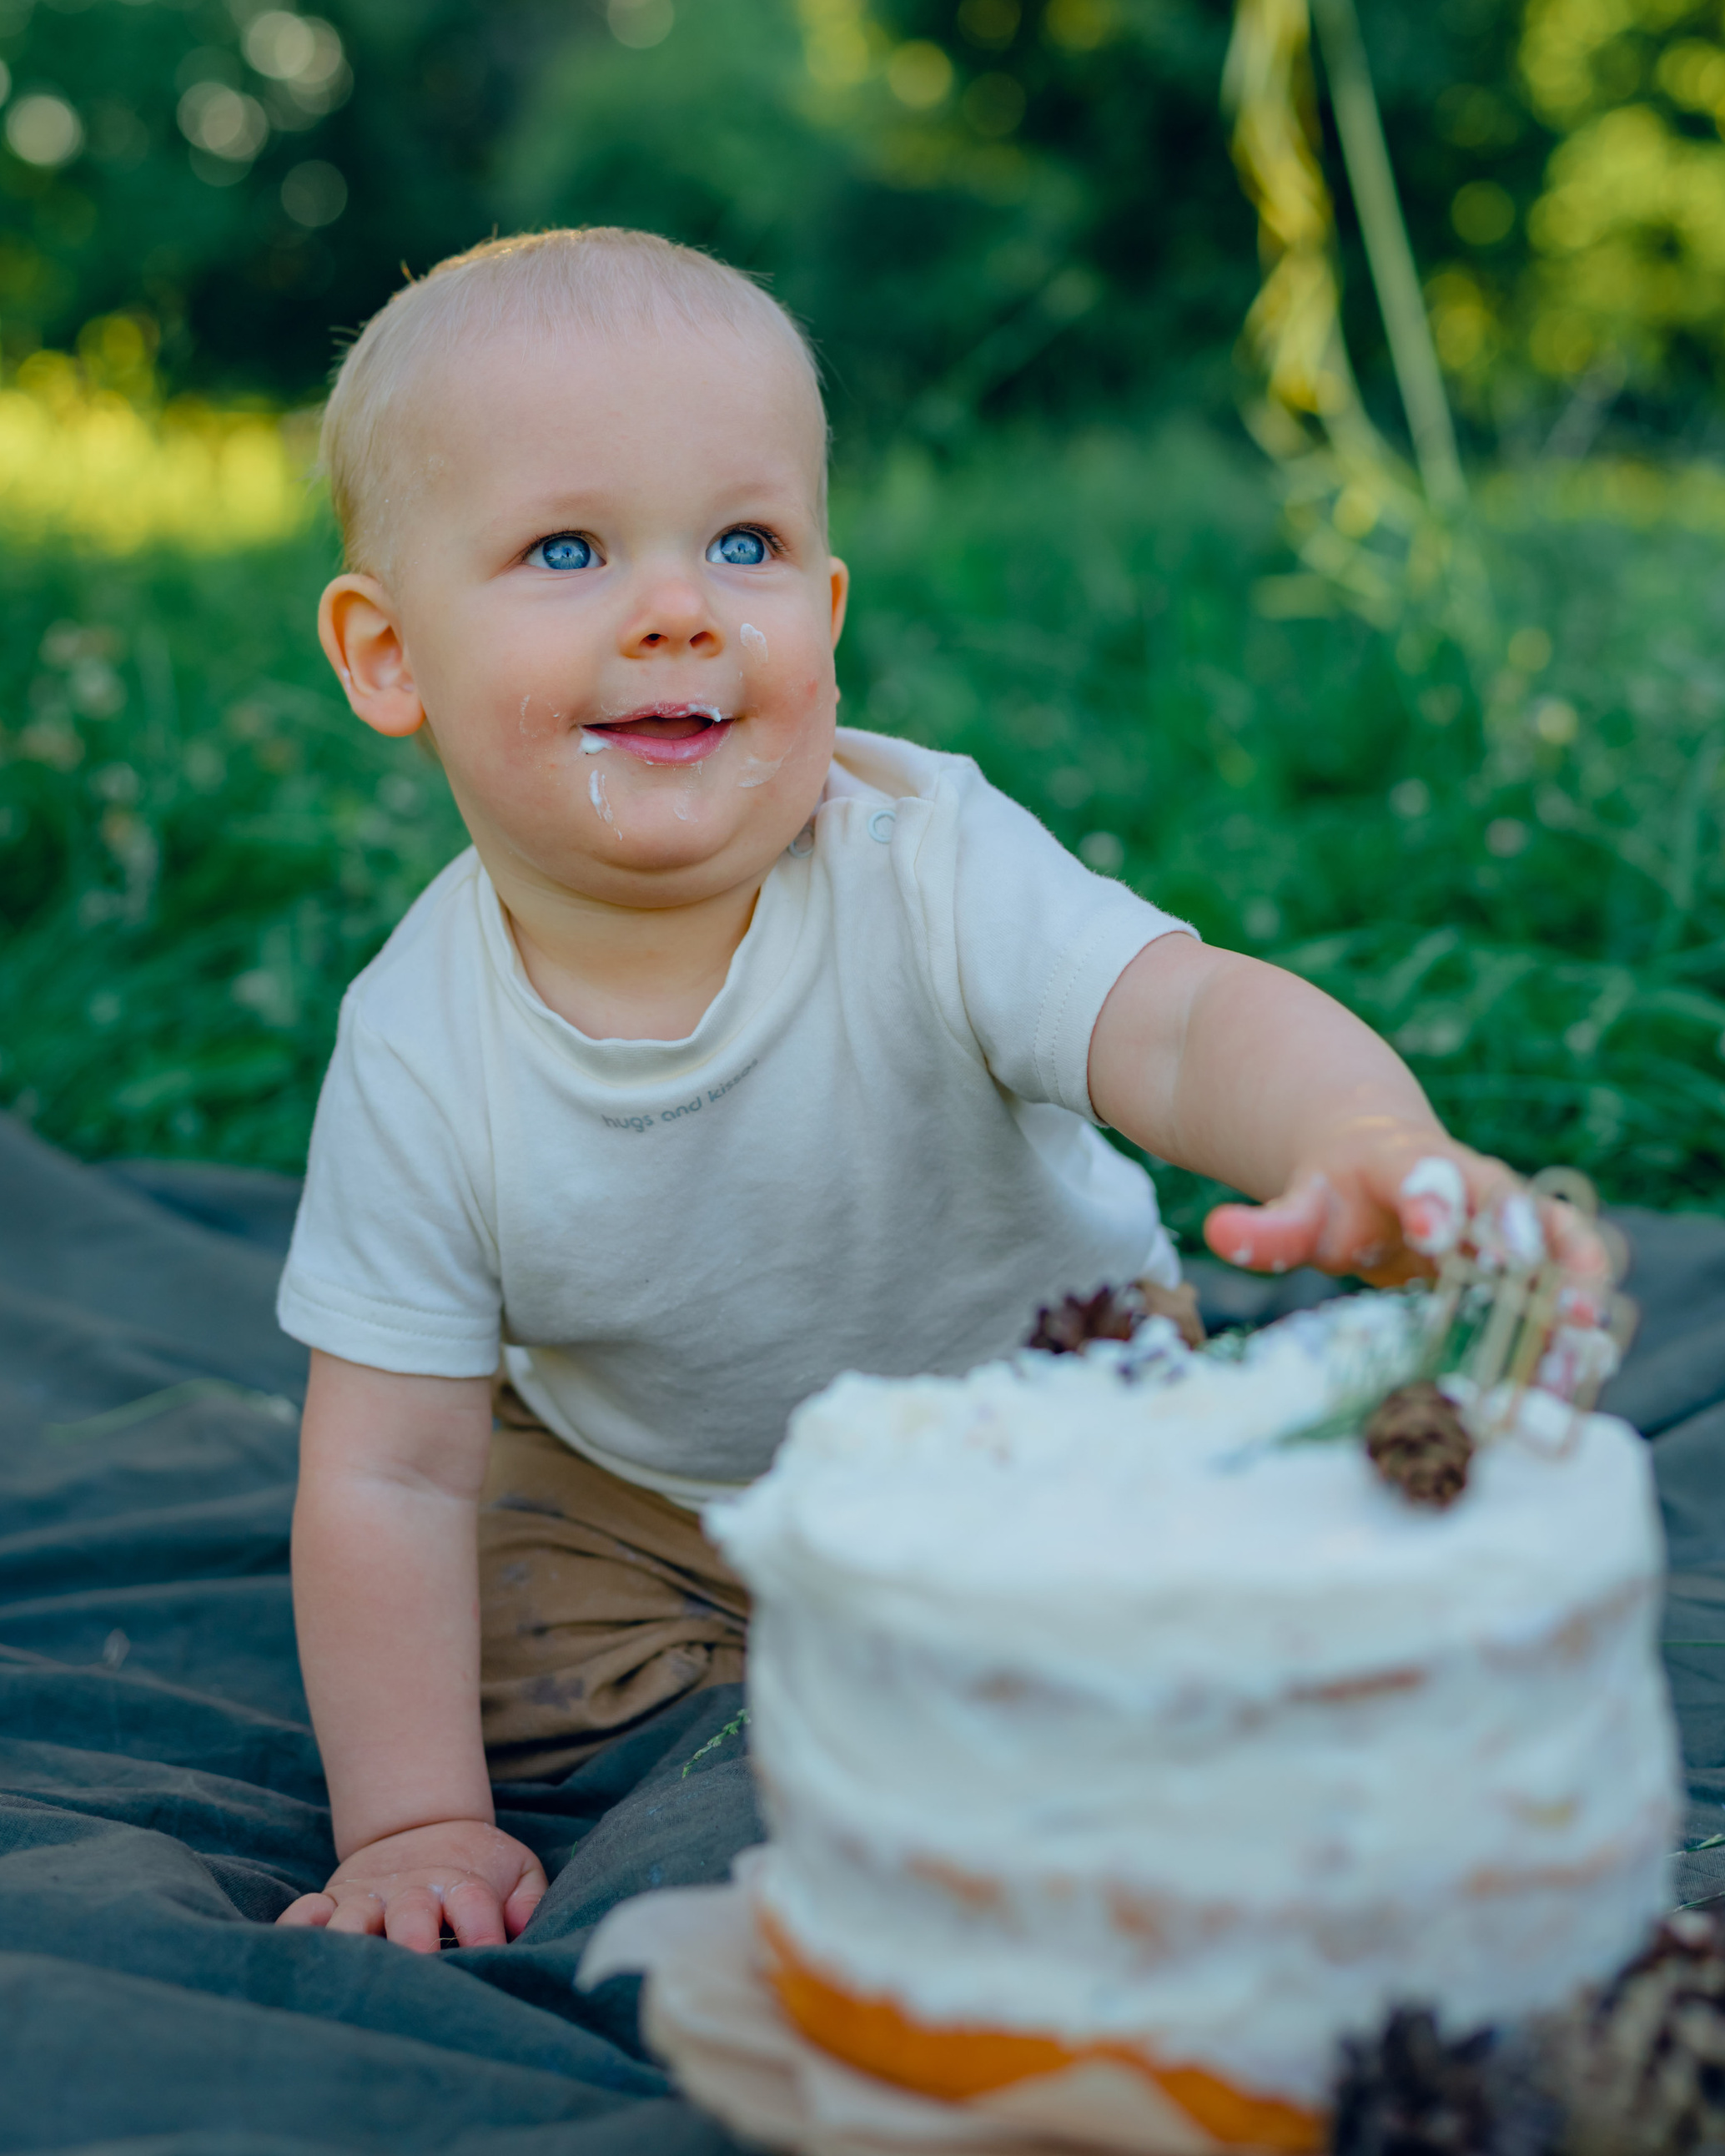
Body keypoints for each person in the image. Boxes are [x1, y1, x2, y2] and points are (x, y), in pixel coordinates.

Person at [274, 226, 1597, 1953]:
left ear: (822, 615)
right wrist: (414, 1823)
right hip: (657, 1502)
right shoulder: (416, 1045)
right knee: (467, 1619)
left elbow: (1186, 1023)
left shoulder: (927, 865)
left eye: (741, 543)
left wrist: (1357, 1136)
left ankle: (1036, 1666)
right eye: (567, 546)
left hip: (1045, 1440)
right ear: (389, 656)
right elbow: (388, 1469)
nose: (677, 606)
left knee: (1222, 1591)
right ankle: (800, 1689)